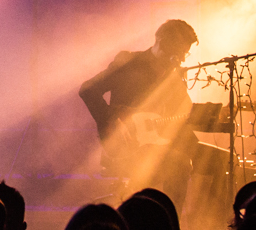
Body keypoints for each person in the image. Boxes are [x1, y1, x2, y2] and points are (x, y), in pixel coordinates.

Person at [78, 20, 220, 202]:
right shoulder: (129, 62)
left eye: (186, 53)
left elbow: (185, 112)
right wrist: (111, 122)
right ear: (161, 41)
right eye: (180, 51)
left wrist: (213, 114)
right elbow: (88, 89)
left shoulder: (173, 74)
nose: (183, 58)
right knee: (180, 164)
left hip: (164, 141)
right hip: (128, 145)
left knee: (224, 160)